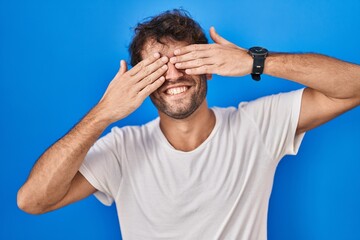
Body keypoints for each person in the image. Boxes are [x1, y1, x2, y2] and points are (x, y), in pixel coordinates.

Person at [17, 9, 359, 240]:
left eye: (185, 61)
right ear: (141, 80)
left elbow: (354, 85)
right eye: (157, 68)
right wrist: (104, 112)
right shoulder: (122, 148)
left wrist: (257, 61)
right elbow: (33, 201)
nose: (174, 76)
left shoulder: (257, 125)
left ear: (210, 67)